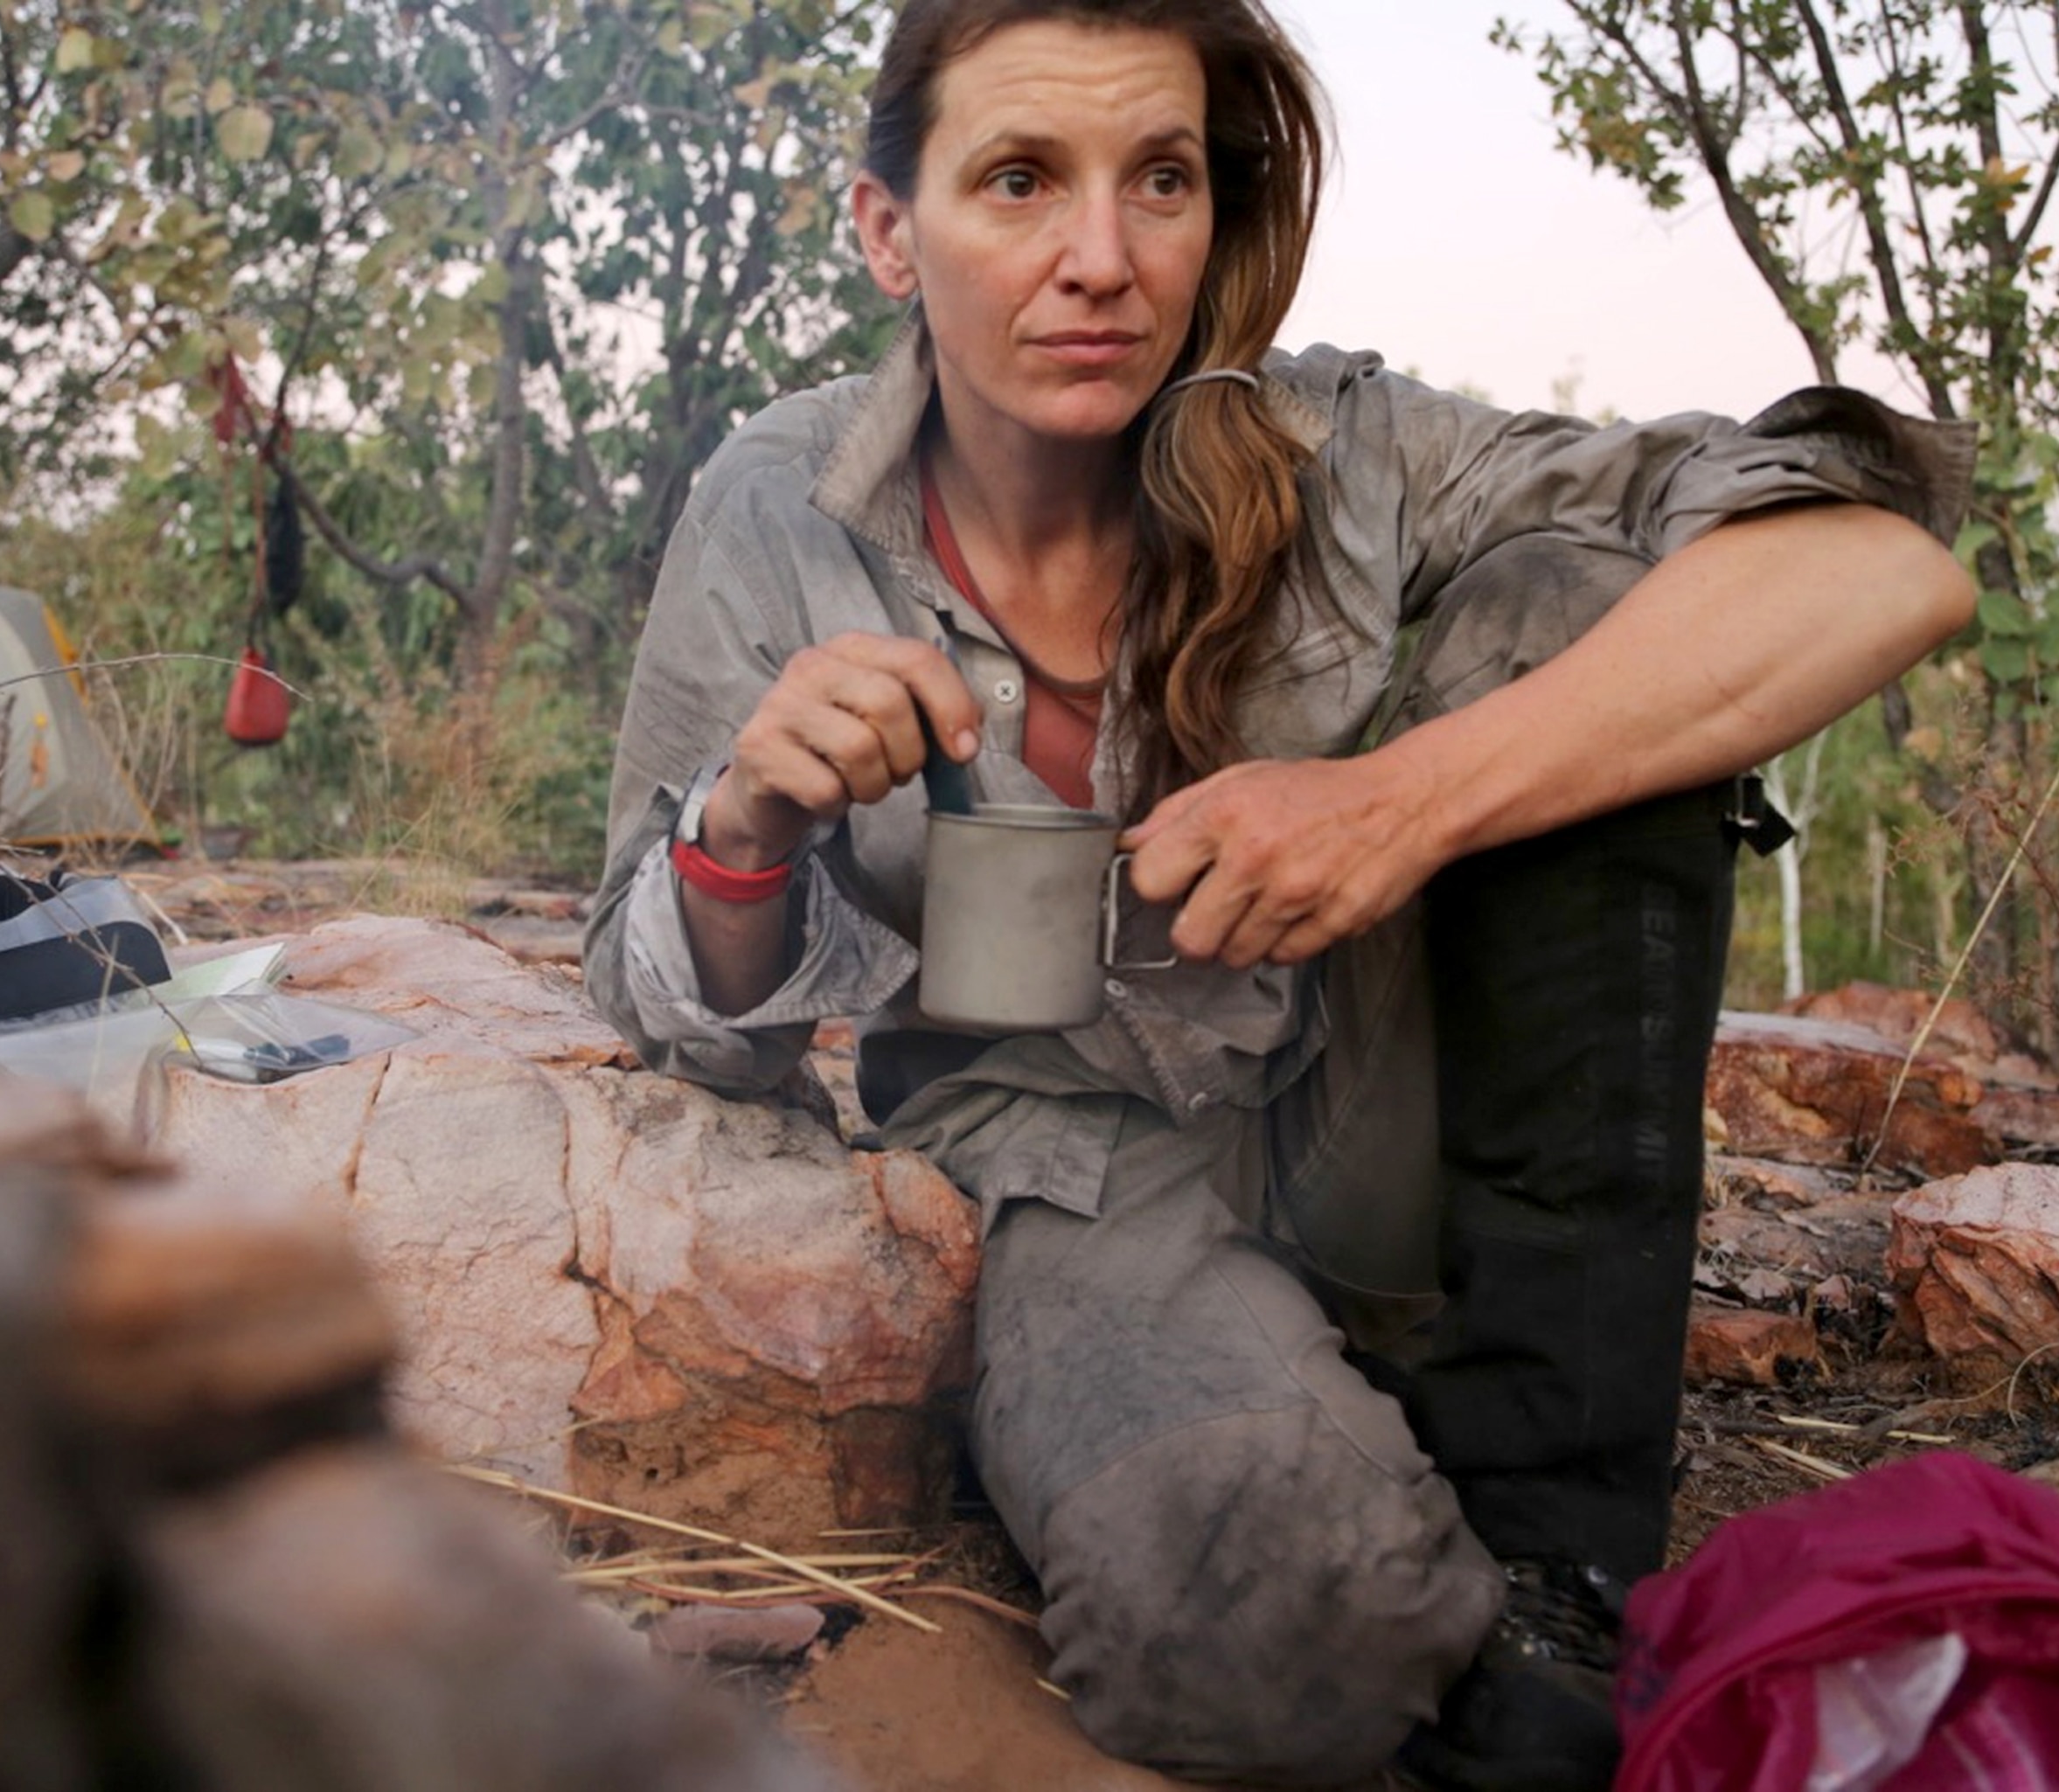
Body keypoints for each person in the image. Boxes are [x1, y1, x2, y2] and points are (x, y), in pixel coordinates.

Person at [582, 2, 1976, 1786]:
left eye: (1158, 179)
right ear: (886, 230)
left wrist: (1400, 799)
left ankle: (1556, 1538)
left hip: (1393, 1104)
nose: (1103, 260)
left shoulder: (1345, 447)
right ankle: (1355, 1519)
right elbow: (663, 993)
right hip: (1075, 1162)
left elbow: (1881, 570)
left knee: (1570, 601)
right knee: (1262, 1645)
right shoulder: (777, 502)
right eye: (1018, 179)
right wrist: (748, 820)